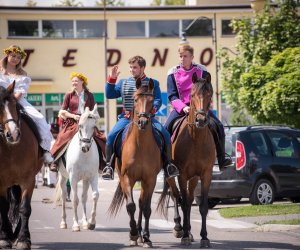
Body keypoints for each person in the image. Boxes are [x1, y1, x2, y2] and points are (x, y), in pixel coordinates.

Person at [102, 55, 179, 180]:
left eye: (135, 67)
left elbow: (158, 99)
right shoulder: (123, 83)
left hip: (147, 118)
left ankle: (169, 165)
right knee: (111, 136)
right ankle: (108, 166)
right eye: (131, 67)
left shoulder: (153, 83)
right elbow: (109, 94)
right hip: (126, 118)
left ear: (142, 68)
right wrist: (112, 79)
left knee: (165, 134)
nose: (132, 70)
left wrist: (152, 109)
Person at [164, 44, 232, 170]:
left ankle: (222, 159)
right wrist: (183, 107)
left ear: (192, 57)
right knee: (165, 130)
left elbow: (208, 90)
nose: (182, 59)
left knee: (219, 126)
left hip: (201, 108)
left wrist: (205, 107)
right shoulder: (172, 72)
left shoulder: (202, 70)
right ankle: (167, 163)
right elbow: (172, 96)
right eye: (180, 56)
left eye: (185, 56)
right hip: (181, 108)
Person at [0, 45, 54, 164]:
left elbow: (19, 93)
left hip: (17, 101)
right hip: (0, 101)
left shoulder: (22, 74)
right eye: (13, 56)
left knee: (39, 118)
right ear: (7, 55)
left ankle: (45, 151)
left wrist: (10, 100)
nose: (15, 59)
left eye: (18, 57)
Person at [49, 72, 106, 172]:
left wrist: (90, 117)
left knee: (100, 138)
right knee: (62, 137)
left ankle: (103, 163)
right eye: (73, 81)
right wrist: (73, 116)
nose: (74, 83)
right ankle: (55, 161)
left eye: (76, 81)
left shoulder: (89, 95)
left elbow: (93, 110)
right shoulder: (69, 95)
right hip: (72, 122)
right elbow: (62, 111)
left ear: (82, 82)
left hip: (86, 121)